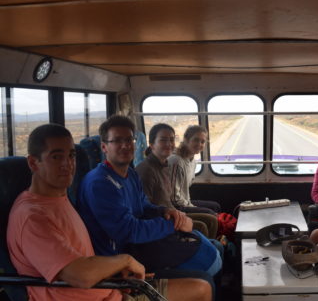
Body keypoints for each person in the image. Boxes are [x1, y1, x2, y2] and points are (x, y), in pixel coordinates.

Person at [6, 123, 211, 301]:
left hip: (109, 286)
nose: (67, 164)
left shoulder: (59, 199)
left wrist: (115, 272)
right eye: (56, 157)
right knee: (201, 289)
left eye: (71, 155)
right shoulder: (33, 216)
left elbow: (81, 257)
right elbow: (80, 275)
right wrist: (124, 260)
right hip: (91, 295)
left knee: (201, 280)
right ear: (33, 163)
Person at [77, 115, 221, 277]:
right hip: (120, 257)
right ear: (104, 147)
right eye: (117, 141)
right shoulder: (99, 183)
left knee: (211, 249)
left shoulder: (130, 174)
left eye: (129, 140)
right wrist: (173, 225)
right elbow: (127, 231)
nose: (125, 145)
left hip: (138, 244)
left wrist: (166, 212)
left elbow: (144, 205)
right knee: (205, 271)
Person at [136, 123, 218, 238]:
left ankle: (211, 248)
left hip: (170, 211)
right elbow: (144, 209)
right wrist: (174, 214)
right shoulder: (147, 170)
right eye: (163, 140)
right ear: (152, 144)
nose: (169, 144)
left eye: (171, 140)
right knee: (204, 224)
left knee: (211, 219)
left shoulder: (163, 165)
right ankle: (205, 250)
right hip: (161, 218)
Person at [168, 125, 221, 215]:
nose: (199, 144)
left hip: (184, 202)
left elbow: (184, 191)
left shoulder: (193, 161)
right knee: (210, 213)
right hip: (174, 206)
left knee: (215, 206)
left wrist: (190, 204)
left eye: (203, 142)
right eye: (196, 140)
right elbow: (173, 198)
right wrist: (191, 207)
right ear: (186, 140)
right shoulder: (176, 161)